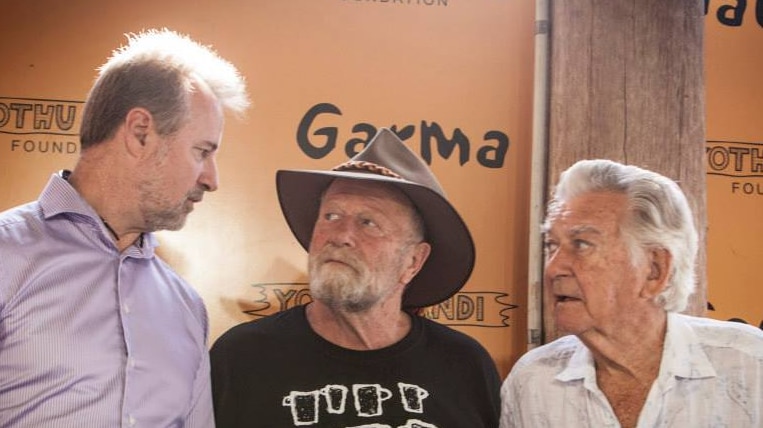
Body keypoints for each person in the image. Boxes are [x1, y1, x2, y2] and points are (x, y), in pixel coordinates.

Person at [0, 29, 249, 427]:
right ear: (140, 133)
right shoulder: (6, 256)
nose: (211, 179)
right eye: (201, 151)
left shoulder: (187, 307)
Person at [211, 128, 501, 427]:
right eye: (331, 216)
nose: (342, 236)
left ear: (413, 261)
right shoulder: (243, 358)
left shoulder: (464, 365)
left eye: (368, 222)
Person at [499, 159, 763, 427]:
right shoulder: (533, 383)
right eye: (551, 245)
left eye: (581, 244)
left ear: (654, 270)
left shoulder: (751, 365)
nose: (554, 267)